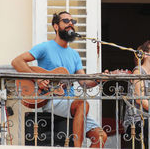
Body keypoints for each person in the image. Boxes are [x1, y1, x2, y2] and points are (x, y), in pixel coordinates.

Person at [11, 11, 107, 148]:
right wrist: (37, 79)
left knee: (101, 136)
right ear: (56, 26)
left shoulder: (74, 55)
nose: (70, 24)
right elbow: (17, 62)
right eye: (66, 21)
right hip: (51, 99)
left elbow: (84, 82)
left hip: (71, 102)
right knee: (82, 104)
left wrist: (101, 79)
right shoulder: (45, 47)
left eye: (72, 22)